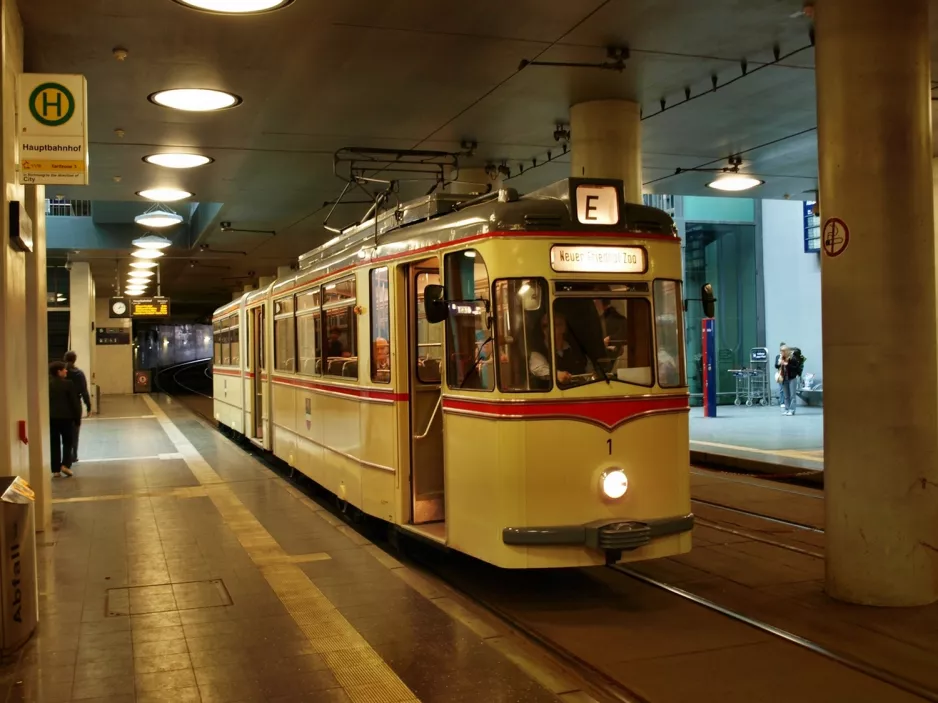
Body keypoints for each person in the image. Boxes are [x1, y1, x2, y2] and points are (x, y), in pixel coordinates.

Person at [529, 313, 590, 386]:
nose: (548, 329)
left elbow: (590, 370)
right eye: (544, 326)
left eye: (553, 324)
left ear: (563, 327)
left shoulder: (576, 349)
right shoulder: (537, 352)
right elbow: (538, 368)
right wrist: (556, 374)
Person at [49, 361, 81, 477]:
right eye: (64, 369)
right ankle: (65, 465)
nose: (66, 371)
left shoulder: (48, 385)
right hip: (67, 418)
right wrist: (77, 419)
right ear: (59, 372)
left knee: (54, 443)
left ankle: (55, 469)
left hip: (52, 418)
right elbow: (74, 403)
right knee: (68, 442)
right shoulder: (68, 384)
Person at [64, 350, 91, 462]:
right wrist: (88, 406)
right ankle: (73, 454)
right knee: (74, 431)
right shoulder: (79, 373)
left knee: (62, 431)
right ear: (75, 359)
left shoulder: (61, 373)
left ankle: (63, 456)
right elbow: (84, 391)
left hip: (62, 404)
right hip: (75, 404)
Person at [774, 344, 800, 416]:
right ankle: (787, 409)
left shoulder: (792, 358)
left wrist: (786, 364)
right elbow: (776, 365)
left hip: (792, 378)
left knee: (792, 395)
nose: (781, 352)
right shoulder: (779, 357)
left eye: (783, 351)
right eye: (781, 351)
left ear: (786, 351)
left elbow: (796, 368)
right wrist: (780, 363)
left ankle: (792, 410)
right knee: (786, 396)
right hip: (784, 378)